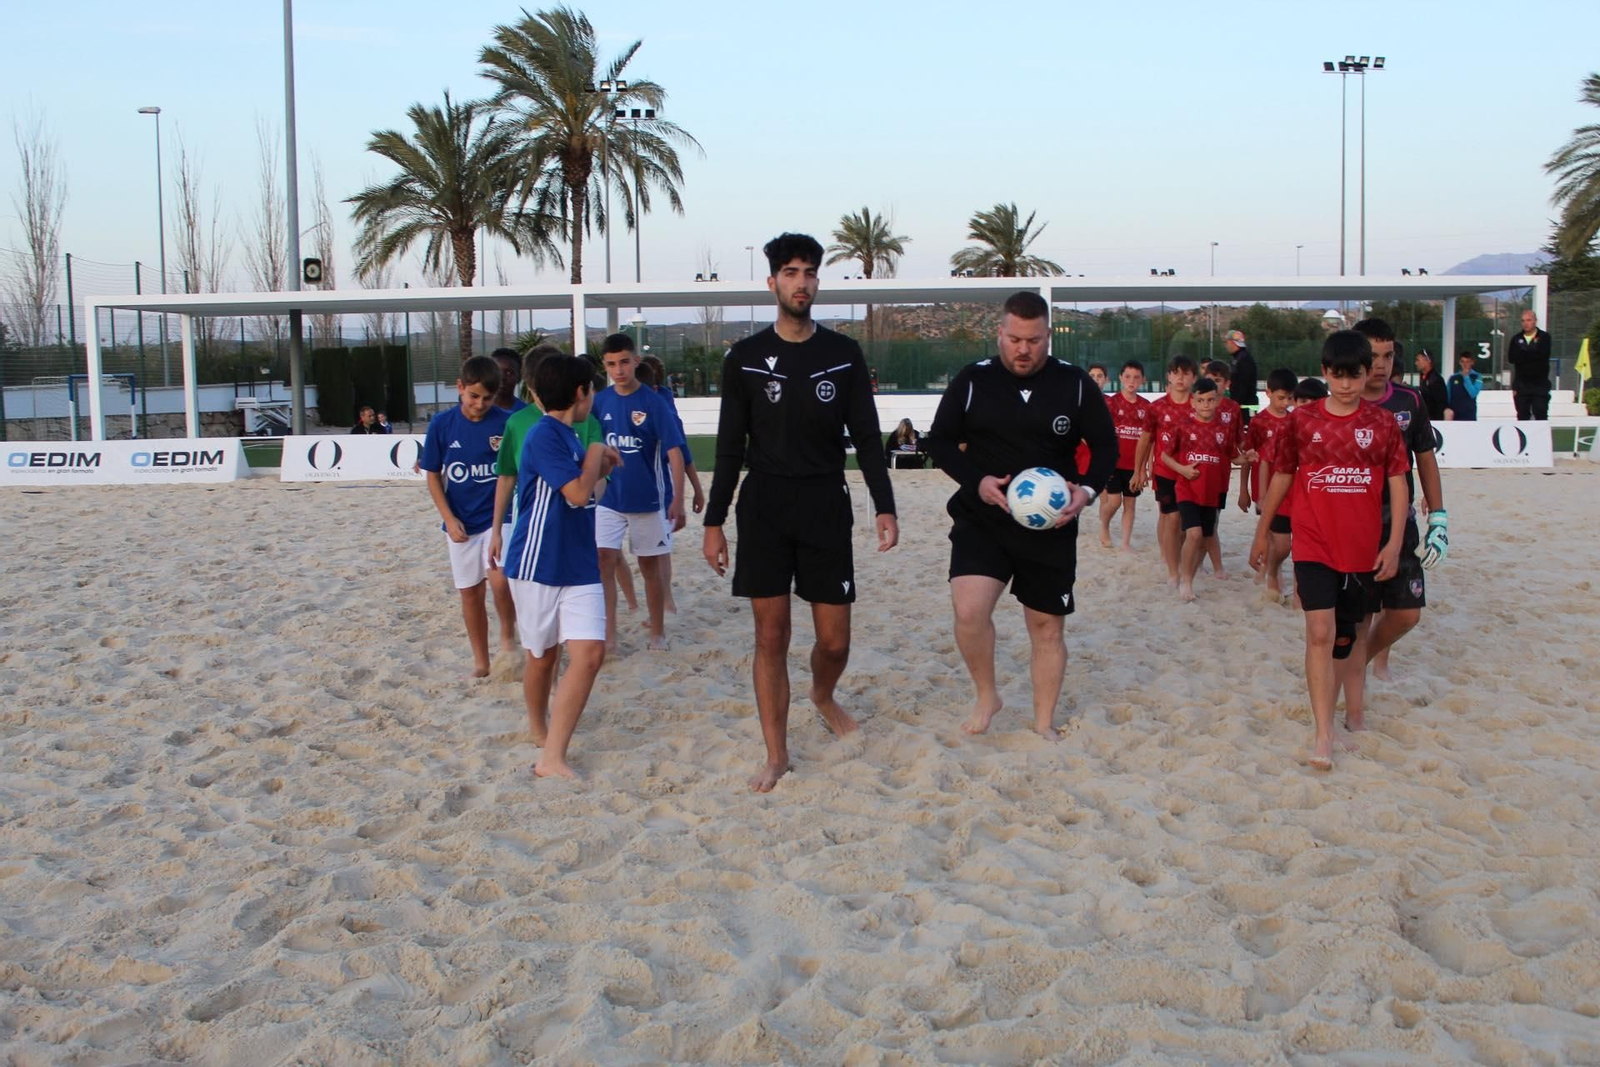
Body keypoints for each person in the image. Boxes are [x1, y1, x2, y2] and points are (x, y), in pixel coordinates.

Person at [702, 233, 898, 793]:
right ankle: (777, 753)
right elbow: (729, 447)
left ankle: (822, 692)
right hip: (763, 505)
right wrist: (714, 522)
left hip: (823, 503)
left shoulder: (843, 354)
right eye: (791, 272)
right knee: (771, 635)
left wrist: (884, 505)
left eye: (810, 272)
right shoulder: (743, 358)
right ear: (772, 283)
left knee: (835, 640)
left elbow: (865, 435)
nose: (801, 282)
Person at [926, 291, 1117, 741]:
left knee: (1046, 627)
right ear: (1000, 333)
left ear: (1048, 336)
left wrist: (1086, 492)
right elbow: (940, 441)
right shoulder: (974, 379)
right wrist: (978, 482)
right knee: (969, 611)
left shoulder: (1073, 384)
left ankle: (1043, 722)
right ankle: (987, 695)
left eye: (1033, 340)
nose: (1023, 349)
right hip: (984, 517)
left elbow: (1107, 447)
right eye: (1014, 339)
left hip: (1051, 525)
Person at [1249, 331, 1409, 771]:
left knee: (1353, 636)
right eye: (1337, 376)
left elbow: (1399, 483)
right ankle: (1324, 732)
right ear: (1324, 373)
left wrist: (1393, 544)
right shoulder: (1300, 423)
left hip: (1364, 548)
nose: (1345, 384)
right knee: (1319, 633)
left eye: (1354, 375)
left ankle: (1354, 714)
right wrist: (1263, 531)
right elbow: (1282, 475)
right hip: (1314, 544)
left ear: (1366, 373)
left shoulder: (1382, 425)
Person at [496, 354, 620, 780]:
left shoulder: (569, 436)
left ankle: (553, 755)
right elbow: (574, 493)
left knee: (589, 654)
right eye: (592, 388)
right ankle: (538, 727)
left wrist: (600, 467)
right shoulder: (543, 435)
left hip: (579, 561)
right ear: (581, 392)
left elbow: (590, 494)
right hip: (537, 564)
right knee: (542, 658)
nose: (594, 397)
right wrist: (597, 453)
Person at [1352, 318, 1448, 686]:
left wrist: (1439, 518)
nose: (1381, 364)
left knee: (1406, 614)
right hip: (1354, 524)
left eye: (1388, 355)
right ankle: (1354, 671)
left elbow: (1425, 457)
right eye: (1373, 356)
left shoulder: (1410, 400)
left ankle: (1362, 661)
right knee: (1360, 613)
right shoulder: (1343, 401)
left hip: (1399, 523)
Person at [419, 355, 517, 678]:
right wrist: (448, 518)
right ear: (460, 388)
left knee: (500, 580)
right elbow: (433, 475)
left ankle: (506, 637)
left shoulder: (506, 423)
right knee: (470, 592)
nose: (480, 404)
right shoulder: (442, 425)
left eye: (487, 398)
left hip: (498, 518)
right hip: (461, 522)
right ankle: (481, 659)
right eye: (474, 396)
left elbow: (511, 474)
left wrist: (499, 522)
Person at [594, 333, 687, 652]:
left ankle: (657, 632)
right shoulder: (600, 401)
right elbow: (590, 445)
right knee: (603, 559)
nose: (618, 370)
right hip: (608, 498)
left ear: (635, 361)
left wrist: (678, 498)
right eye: (611, 364)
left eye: (623, 362)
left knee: (649, 567)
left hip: (647, 499)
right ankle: (609, 634)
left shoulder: (653, 402)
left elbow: (674, 450)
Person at [1159, 379, 1241, 602]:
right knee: (1193, 534)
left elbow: (1234, 456)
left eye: (1210, 400)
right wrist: (1182, 470)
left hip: (1210, 494)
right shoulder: (1183, 426)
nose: (1206, 404)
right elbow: (1165, 456)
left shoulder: (1223, 431)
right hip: (1187, 490)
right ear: (1193, 402)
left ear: (1217, 401)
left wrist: (1248, 458)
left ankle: (1189, 575)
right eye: (1201, 400)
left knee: (1204, 536)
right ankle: (1184, 580)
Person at [638, 352, 706, 614]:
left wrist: (693, 493)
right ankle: (663, 600)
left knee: (660, 548)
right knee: (656, 550)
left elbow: (682, 453)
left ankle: (666, 601)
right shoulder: (659, 401)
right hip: (646, 487)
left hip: (659, 487)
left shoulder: (661, 407)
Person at [1135, 355, 1198, 588]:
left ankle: (1180, 559)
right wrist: (1138, 470)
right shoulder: (1157, 407)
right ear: (1168, 376)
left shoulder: (1199, 405)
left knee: (1185, 523)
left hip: (1192, 473)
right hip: (1165, 471)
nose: (1180, 378)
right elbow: (1145, 440)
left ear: (1193, 377)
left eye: (1185, 373)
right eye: (1175, 373)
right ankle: (1173, 571)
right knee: (1170, 518)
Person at [1238, 368, 1298, 599]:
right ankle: (1273, 573)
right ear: (1268, 393)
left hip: (1289, 487)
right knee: (1272, 532)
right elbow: (1248, 458)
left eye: (1290, 398)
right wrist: (1244, 490)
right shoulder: (1259, 422)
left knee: (1280, 536)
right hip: (1263, 486)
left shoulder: (1295, 420)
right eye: (1281, 397)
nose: (1285, 403)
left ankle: (1272, 568)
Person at [1098, 359, 1152, 551]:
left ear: (1143, 380)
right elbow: (1101, 434)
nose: (1132, 381)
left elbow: (1149, 441)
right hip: (1113, 463)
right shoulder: (1111, 403)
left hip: (1134, 465)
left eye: (1136, 377)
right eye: (1128, 376)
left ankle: (1125, 542)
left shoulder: (1146, 407)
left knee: (1130, 503)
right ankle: (1104, 526)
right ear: (1121, 378)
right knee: (1114, 501)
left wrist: (1145, 468)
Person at [1202, 360, 1244, 577]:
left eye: (1217, 380)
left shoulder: (1233, 409)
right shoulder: (1197, 404)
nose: (1213, 384)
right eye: (1210, 379)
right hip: (1195, 474)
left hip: (1220, 476)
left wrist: (1250, 455)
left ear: (1227, 384)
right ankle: (1203, 565)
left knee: (1211, 522)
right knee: (1190, 524)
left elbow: (1239, 442)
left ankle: (1214, 567)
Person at [1506, 310, 1552, 421]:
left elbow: (1542, 355)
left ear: (1535, 321)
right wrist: (1531, 352)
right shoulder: (1516, 339)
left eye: (1529, 320)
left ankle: (1540, 438)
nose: (1525, 323)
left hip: (1539, 384)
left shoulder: (1544, 337)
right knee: (1522, 415)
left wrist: (1523, 353)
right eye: (1523, 321)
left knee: (1540, 412)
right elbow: (1512, 358)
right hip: (1521, 385)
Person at [1224, 329, 1258, 427]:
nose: (1226, 345)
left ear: (1232, 342)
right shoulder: (1239, 358)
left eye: (1227, 342)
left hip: (1245, 406)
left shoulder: (1243, 360)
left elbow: (1244, 384)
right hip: (1243, 404)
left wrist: (1236, 403)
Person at [1446, 350, 1484, 421]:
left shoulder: (1477, 376)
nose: (1465, 364)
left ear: (1472, 362)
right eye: (1462, 361)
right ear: (1460, 363)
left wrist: (1466, 377)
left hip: (1469, 414)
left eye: (1467, 362)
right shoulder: (1453, 378)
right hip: (1454, 415)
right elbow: (1448, 396)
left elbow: (1473, 393)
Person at [491, 347, 528, 413]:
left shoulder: (527, 414)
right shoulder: (476, 410)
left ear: (519, 377)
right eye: (497, 371)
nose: (502, 378)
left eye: (509, 373)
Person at [1414, 350, 1448, 421]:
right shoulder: (1424, 377)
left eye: (1418, 360)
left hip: (1434, 421)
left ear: (1428, 360)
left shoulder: (1436, 380)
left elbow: (1440, 405)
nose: (1416, 363)